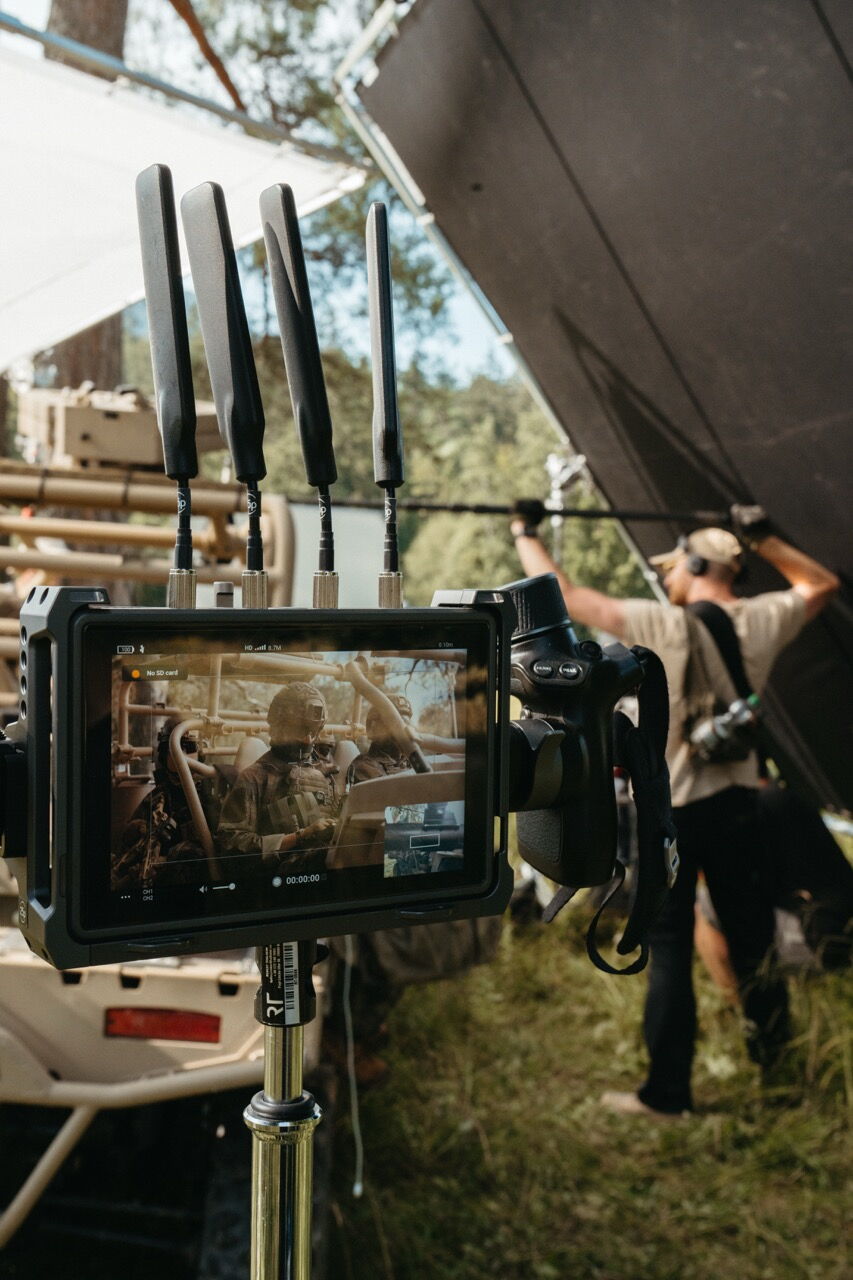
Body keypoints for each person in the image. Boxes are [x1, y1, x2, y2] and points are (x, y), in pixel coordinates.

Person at [510, 503, 839, 1115]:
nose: (667, 579)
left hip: (673, 812)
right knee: (752, 938)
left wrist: (524, 533)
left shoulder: (656, 624)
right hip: (741, 805)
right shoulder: (760, 621)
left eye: (673, 568)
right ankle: (781, 1083)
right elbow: (820, 585)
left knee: (668, 950)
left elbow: (568, 595)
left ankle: (667, 1095)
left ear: (693, 563)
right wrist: (763, 537)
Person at [217, 682, 337, 875]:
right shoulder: (254, 777)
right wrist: (300, 836)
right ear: (280, 728)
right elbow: (232, 846)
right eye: (300, 731)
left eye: (313, 733)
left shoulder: (324, 774)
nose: (307, 740)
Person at [113, 719, 214, 890]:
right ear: (163, 755)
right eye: (172, 749)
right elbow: (127, 848)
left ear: (200, 753)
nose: (179, 754)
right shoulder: (158, 797)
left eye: (189, 748)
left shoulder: (212, 791)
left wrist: (167, 862)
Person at [346, 693, 414, 787]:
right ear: (376, 726)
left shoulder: (411, 762)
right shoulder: (364, 767)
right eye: (397, 724)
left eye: (406, 723)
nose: (404, 730)